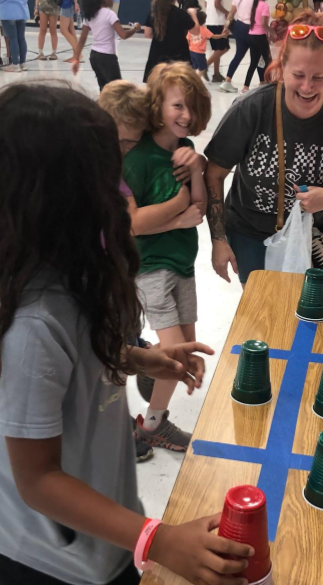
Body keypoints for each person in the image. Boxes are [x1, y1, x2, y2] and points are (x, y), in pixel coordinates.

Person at [0, 82, 254, 585]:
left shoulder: (70, 266)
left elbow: (73, 352)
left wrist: (134, 357)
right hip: (31, 553)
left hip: (97, 528)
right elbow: (38, 480)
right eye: (105, 177)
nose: (118, 190)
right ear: (54, 198)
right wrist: (158, 539)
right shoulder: (28, 324)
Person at [204, 14, 323, 287]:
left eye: (319, 77)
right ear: (283, 68)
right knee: (264, 310)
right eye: (298, 75)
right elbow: (214, 173)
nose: (307, 87)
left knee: (315, 310)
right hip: (251, 236)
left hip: (317, 238)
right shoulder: (251, 109)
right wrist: (218, 240)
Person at [97, 79, 199, 460]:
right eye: (124, 141)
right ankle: (127, 423)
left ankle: (140, 358)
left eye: (133, 141)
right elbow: (133, 223)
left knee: (130, 340)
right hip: (109, 273)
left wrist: (197, 169)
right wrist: (180, 206)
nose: (128, 148)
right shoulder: (108, 162)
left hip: (126, 270)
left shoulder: (129, 161)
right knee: (106, 353)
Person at [126, 63, 211, 451]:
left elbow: (199, 207)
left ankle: (153, 409)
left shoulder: (185, 149)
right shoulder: (138, 158)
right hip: (151, 268)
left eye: (192, 107)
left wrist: (196, 169)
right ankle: (151, 423)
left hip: (183, 263)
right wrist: (178, 217)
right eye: (178, 106)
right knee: (177, 356)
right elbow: (131, 226)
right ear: (157, 106)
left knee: (184, 348)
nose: (186, 115)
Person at [71, 0, 141, 91]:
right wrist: (135, 29)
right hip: (107, 57)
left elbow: (82, 40)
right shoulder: (110, 14)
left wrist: (76, 59)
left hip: (94, 56)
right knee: (117, 89)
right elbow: (123, 35)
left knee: (103, 88)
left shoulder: (90, 15)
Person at [143, 0, 198, 82]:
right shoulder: (180, 13)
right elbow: (196, 31)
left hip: (157, 54)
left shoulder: (154, 13)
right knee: (180, 81)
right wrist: (193, 14)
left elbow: (147, 34)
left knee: (157, 82)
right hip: (178, 53)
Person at [216, 0, 256, 93]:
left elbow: (231, 13)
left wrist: (226, 27)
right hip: (251, 28)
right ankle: (261, 83)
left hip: (239, 26)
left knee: (238, 55)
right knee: (257, 56)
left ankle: (227, 81)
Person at [188, 11, 229, 81]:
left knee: (194, 67)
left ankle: (190, 78)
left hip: (191, 51)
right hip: (199, 53)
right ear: (204, 21)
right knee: (203, 68)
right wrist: (222, 36)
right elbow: (213, 36)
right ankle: (197, 80)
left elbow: (188, 39)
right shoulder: (204, 30)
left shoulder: (191, 29)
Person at [240, 0, 271, 94]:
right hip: (260, 37)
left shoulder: (255, 4)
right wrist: (272, 32)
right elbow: (264, 24)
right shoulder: (264, 6)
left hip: (251, 35)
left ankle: (245, 87)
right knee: (269, 62)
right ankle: (271, 84)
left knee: (253, 63)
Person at [0, 0, 31, 72]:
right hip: (22, 10)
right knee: (21, 38)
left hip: (8, 11)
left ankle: (15, 64)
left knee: (13, 38)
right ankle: (23, 63)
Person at [205, 0, 233, 83]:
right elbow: (217, 4)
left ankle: (216, 74)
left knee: (217, 49)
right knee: (223, 48)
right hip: (217, 22)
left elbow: (206, 4)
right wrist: (227, 12)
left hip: (210, 21)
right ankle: (205, 65)